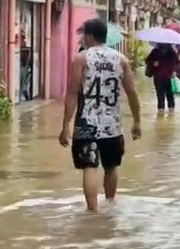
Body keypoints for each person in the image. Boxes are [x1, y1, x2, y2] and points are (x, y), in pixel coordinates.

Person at [60, 18, 141, 213]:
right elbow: (131, 92)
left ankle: (92, 212)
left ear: (89, 36)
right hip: (112, 124)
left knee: (90, 167)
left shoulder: (81, 59)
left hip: (86, 123)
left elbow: (72, 92)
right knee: (111, 166)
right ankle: (111, 205)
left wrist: (66, 125)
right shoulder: (121, 59)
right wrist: (137, 121)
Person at [145, 42, 180, 111]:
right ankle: (168, 111)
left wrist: (174, 71)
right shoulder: (156, 52)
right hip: (161, 77)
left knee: (165, 95)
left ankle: (163, 111)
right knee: (166, 95)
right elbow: (148, 61)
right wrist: (153, 63)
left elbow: (177, 63)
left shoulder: (171, 53)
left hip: (166, 77)